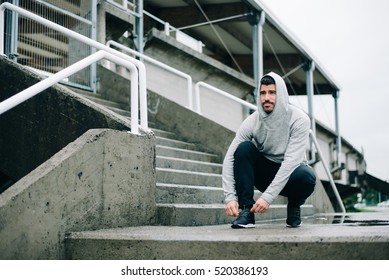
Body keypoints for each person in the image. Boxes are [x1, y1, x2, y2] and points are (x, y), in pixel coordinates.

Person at [222, 72, 316, 228]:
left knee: (307, 176)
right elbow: (229, 158)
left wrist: (267, 197)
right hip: (265, 174)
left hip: (292, 175)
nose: (267, 97)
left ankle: (294, 205)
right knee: (243, 148)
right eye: (263, 93)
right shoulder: (252, 121)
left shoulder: (299, 120)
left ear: (282, 94)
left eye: (272, 92)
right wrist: (230, 197)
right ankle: (246, 212)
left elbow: (290, 162)